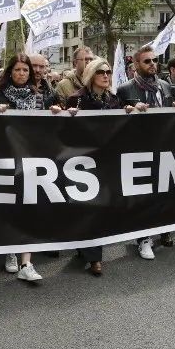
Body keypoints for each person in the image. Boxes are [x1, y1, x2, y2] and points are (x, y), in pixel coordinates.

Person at [0, 54, 62, 282]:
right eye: (18, 70)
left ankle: (26, 262)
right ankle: (9, 250)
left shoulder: (39, 97)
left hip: (32, 159)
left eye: (25, 70)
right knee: (10, 207)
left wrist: (57, 114)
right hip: (6, 159)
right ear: (10, 72)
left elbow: (47, 128)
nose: (21, 74)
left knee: (29, 206)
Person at [66, 58, 135, 274]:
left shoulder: (115, 100)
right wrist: (64, 115)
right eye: (101, 72)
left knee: (99, 207)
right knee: (87, 206)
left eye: (108, 72)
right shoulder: (76, 100)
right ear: (90, 75)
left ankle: (88, 250)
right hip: (82, 163)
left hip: (107, 162)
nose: (106, 75)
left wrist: (134, 111)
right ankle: (94, 258)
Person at [117, 45, 175, 256]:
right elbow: (114, 122)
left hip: (164, 147)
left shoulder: (165, 86)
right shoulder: (125, 89)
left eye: (154, 60)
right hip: (139, 149)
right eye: (147, 61)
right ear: (136, 65)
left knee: (163, 191)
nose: (152, 64)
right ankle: (143, 238)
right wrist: (127, 112)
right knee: (143, 195)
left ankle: (162, 228)